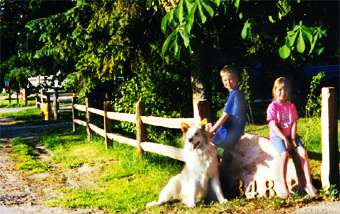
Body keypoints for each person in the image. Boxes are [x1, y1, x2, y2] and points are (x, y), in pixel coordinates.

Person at [266, 77, 318, 198]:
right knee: (284, 154)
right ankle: (282, 185)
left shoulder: (291, 106)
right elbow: (272, 124)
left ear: (288, 92)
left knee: (302, 153)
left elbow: (294, 123)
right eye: (279, 90)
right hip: (277, 136)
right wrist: (284, 139)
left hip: (291, 135)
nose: (282, 93)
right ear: (274, 90)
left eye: (285, 90)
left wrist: (293, 139)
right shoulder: (273, 106)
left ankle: (307, 184)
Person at [208, 65, 246, 152]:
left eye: (231, 79)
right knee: (210, 124)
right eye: (225, 80)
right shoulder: (233, 93)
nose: (228, 82)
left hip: (232, 129)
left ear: (236, 79)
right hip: (232, 126)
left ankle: (220, 162)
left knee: (212, 145)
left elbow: (226, 115)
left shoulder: (235, 94)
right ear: (222, 81)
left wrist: (212, 130)